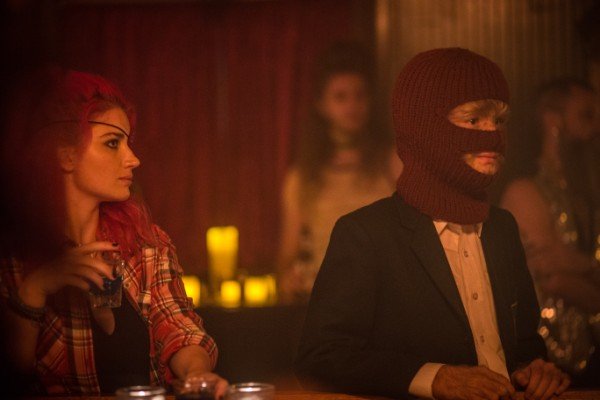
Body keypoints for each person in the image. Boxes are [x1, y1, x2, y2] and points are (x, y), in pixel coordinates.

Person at [295, 48, 570, 400]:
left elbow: (524, 342)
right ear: (425, 127)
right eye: (474, 120)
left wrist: (533, 369)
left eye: (500, 120)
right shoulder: (367, 235)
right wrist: (432, 378)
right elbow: (320, 358)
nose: (492, 135)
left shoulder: (501, 228)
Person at [0, 68, 228, 396]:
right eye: (112, 143)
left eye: (128, 143)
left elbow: (180, 330)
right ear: (65, 154)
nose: (133, 159)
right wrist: (36, 288)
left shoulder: (146, 244)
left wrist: (197, 374)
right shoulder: (13, 257)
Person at [278, 42, 401, 302]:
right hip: (330, 300)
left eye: (359, 95)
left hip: (387, 298)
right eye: (340, 97)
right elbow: (287, 256)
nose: (352, 105)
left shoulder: (391, 163)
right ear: (322, 105)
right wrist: (289, 277)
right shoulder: (303, 177)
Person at [500, 78, 600, 386]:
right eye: (586, 115)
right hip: (550, 366)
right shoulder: (525, 191)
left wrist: (581, 266)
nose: (596, 128)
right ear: (552, 119)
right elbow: (551, 274)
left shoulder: (584, 193)